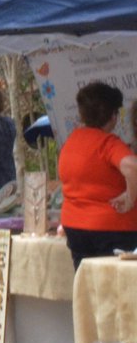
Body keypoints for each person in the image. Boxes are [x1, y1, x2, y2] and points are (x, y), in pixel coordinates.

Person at [57, 82, 137, 269]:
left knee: (86, 284)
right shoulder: (108, 143)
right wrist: (130, 197)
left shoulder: (71, 142)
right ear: (113, 116)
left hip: (75, 226)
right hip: (112, 229)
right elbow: (132, 167)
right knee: (116, 287)